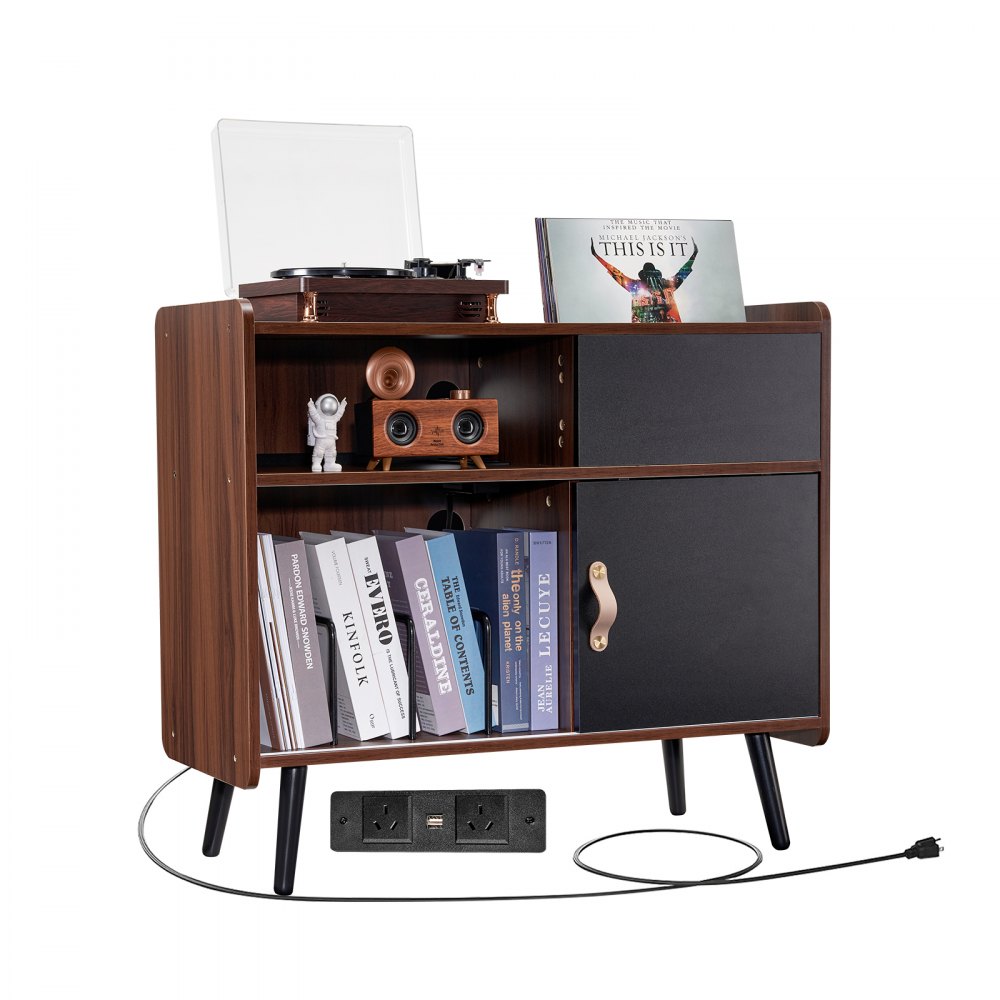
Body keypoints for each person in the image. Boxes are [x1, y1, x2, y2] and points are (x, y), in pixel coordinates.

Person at [591, 238, 698, 323]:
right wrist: (693, 256)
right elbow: (682, 272)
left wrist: (597, 257)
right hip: (666, 328)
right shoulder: (667, 283)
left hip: (648, 328)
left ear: (643, 273)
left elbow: (616, 273)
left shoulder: (635, 285)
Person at [307, 393, 348, 472]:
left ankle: (330, 464)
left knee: (332, 453)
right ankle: (316, 463)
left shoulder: (334, 419)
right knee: (319, 452)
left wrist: (343, 405)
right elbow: (314, 414)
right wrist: (311, 406)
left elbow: (339, 414)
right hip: (321, 439)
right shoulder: (319, 419)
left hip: (332, 440)